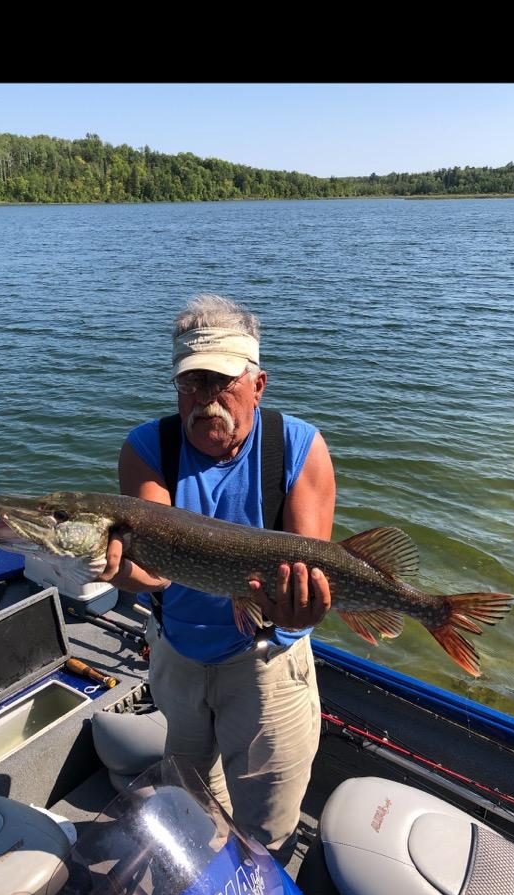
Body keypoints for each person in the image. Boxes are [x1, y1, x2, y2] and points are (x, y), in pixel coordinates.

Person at [99, 294, 335, 865]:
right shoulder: (147, 447)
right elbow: (152, 569)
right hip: (178, 657)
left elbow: (310, 572)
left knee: (269, 820)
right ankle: (205, 880)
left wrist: (296, 612)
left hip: (267, 665)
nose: (205, 400)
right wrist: (104, 568)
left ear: (258, 382)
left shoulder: (299, 448)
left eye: (221, 381)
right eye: (191, 384)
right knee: (190, 793)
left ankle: (262, 889)